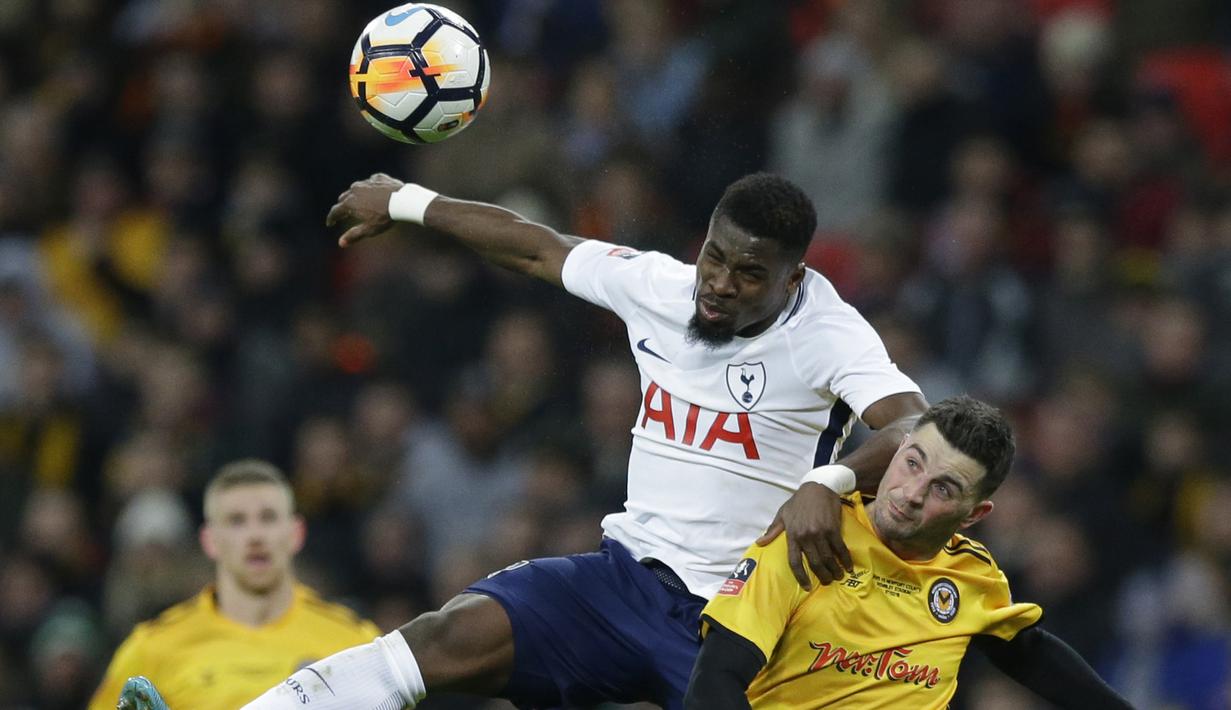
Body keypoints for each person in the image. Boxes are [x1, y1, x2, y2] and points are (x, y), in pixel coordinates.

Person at [240, 172, 930, 710]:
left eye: (749, 274)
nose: (719, 285)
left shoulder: (826, 334)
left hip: (745, 620)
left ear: (793, 277)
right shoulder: (660, 288)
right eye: (714, 258)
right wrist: (407, 202)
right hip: (623, 582)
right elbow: (536, 246)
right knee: (446, 636)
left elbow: (915, 426)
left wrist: (830, 480)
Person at [683, 396, 1134, 709]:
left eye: (943, 488)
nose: (912, 493)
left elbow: (1028, 654)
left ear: (974, 514)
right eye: (912, 463)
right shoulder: (810, 536)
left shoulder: (970, 574)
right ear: (897, 450)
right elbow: (712, 685)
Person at [89, 460, 381, 710]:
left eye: (268, 518)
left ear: (296, 533)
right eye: (237, 521)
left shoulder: (354, 643)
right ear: (210, 540)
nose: (255, 536)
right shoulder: (152, 649)